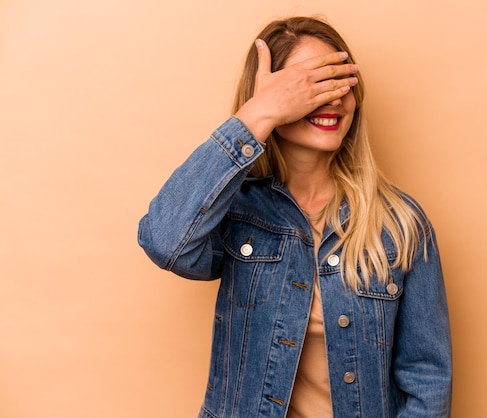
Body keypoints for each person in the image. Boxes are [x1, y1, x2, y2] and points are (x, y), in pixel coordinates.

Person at [138, 16, 452, 418]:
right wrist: (257, 116)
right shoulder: (236, 212)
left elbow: (427, 377)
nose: (334, 99)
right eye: (308, 86)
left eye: (341, 83)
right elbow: (165, 242)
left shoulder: (402, 225)